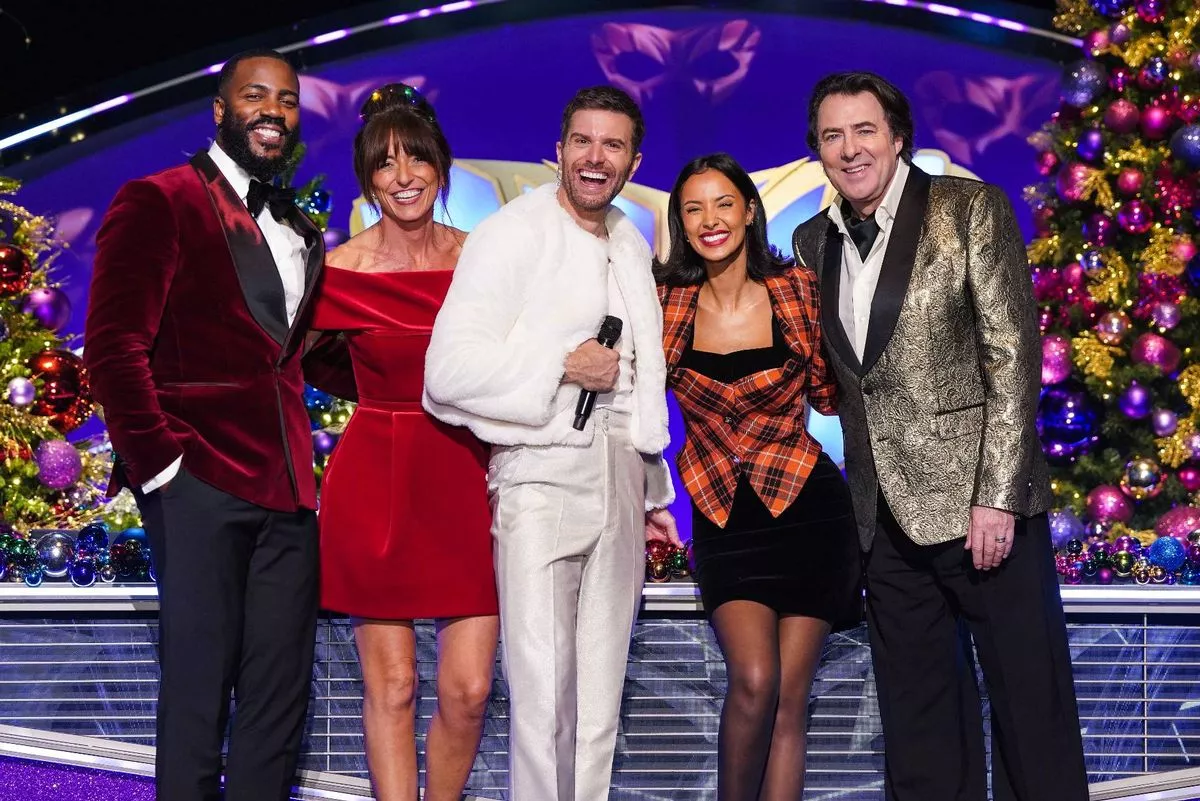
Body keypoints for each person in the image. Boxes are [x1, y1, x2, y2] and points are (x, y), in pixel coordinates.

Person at [791, 71, 1088, 800]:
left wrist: (997, 497)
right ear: (818, 151)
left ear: (897, 137)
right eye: (832, 135)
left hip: (984, 512)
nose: (850, 148)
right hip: (883, 520)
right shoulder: (810, 241)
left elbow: (1012, 357)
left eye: (865, 130)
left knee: (1029, 709)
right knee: (919, 721)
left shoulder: (969, 209)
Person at [84, 48, 330, 801]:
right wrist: (162, 467)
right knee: (197, 693)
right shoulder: (159, 199)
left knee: (276, 697)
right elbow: (114, 346)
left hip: (288, 493)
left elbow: (298, 355)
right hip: (198, 481)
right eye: (254, 95)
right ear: (219, 110)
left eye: (286, 100)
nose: (273, 110)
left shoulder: (300, 227)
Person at [422, 85, 679, 801]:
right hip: (538, 477)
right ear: (560, 149)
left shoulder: (629, 243)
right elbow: (444, 373)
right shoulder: (512, 232)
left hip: (622, 481)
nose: (597, 158)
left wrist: (654, 492)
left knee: (599, 703)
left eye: (614, 145)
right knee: (540, 696)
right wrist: (558, 365)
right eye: (584, 142)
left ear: (633, 160)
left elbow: (635, 382)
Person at [308, 83, 498, 801]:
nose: (404, 176)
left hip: (467, 472)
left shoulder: (483, 259)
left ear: (441, 167)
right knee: (390, 686)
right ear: (368, 178)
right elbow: (303, 359)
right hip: (375, 477)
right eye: (385, 164)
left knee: (470, 687)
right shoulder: (339, 271)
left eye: (416, 159)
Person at [656, 152, 861, 801]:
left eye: (723, 203)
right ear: (681, 223)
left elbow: (834, 394)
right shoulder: (663, 302)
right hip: (723, 518)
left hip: (811, 511)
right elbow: (629, 406)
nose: (710, 219)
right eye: (694, 207)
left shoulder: (797, 289)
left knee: (790, 700)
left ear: (748, 209)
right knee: (753, 679)